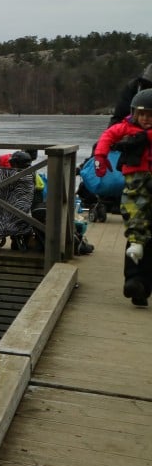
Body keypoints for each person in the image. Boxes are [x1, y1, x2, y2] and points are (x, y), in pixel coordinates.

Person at [94, 89, 152, 306]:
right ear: (135, 113)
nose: (146, 118)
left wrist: (145, 136)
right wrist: (100, 156)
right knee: (136, 232)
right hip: (136, 186)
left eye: (151, 114)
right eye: (142, 114)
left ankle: (143, 287)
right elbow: (108, 135)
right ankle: (135, 284)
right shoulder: (126, 127)